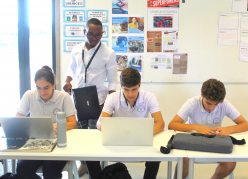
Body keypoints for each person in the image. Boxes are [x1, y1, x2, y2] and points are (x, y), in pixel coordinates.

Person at [86, 68, 165, 179]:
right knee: (90, 156)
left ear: (139, 85)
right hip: (117, 142)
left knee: (155, 158)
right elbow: (100, 123)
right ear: (121, 87)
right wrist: (112, 131)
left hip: (141, 142)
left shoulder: (149, 97)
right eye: (126, 89)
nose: (130, 94)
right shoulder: (113, 98)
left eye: (134, 89)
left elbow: (160, 123)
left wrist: (144, 135)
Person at [63, 17, 117, 176]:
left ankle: (95, 169)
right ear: (84, 31)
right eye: (91, 34)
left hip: (97, 98)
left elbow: (113, 79)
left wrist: (111, 102)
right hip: (78, 97)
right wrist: (67, 81)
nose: (94, 38)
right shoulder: (76, 49)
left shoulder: (108, 53)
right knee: (79, 134)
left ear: (102, 34)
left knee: (94, 135)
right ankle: (84, 164)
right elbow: (71, 69)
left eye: (98, 35)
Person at [168, 78, 248, 179]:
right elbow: (172, 125)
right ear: (202, 95)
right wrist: (197, 127)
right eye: (209, 103)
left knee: (230, 163)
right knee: (184, 161)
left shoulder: (224, 104)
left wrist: (227, 129)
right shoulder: (192, 103)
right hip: (193, 141)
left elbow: (246, 125)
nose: (212, 108)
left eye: (216, 104)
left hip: (215, 142)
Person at [16, 66, 77, 179]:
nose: (42, 92)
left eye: (46, 88)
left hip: (57, 143)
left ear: (54, 85)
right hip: (35, 142)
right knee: (22, 169)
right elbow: (19, 117)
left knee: (50, 172)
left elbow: (73, 122)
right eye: (38, 88)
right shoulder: (29, 95)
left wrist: (56, 126)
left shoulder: (64, 97)